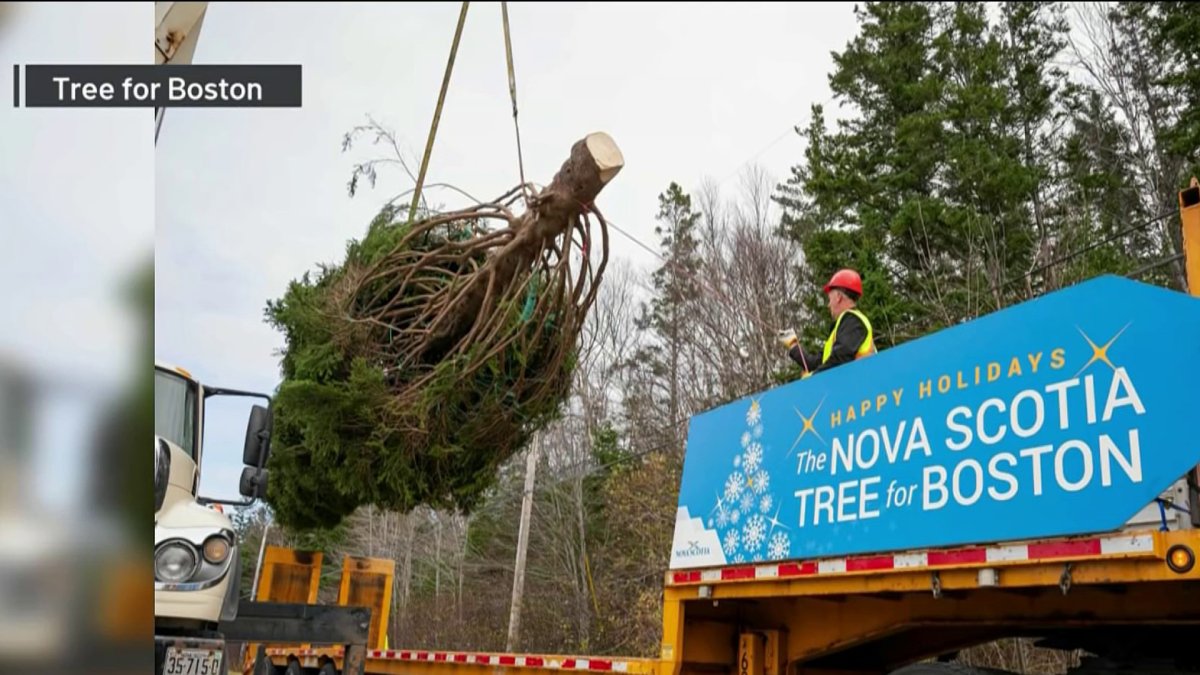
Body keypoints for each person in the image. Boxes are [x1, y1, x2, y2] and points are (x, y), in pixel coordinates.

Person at [777, 268, 877, 377]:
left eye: (830, 299)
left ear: (838, 297)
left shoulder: (854, 321)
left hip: (860, 389)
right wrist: (793, 345)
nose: (828, 305)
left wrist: (814, 378)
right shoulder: (843, 328)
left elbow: (839, 359)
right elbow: (814, 363)